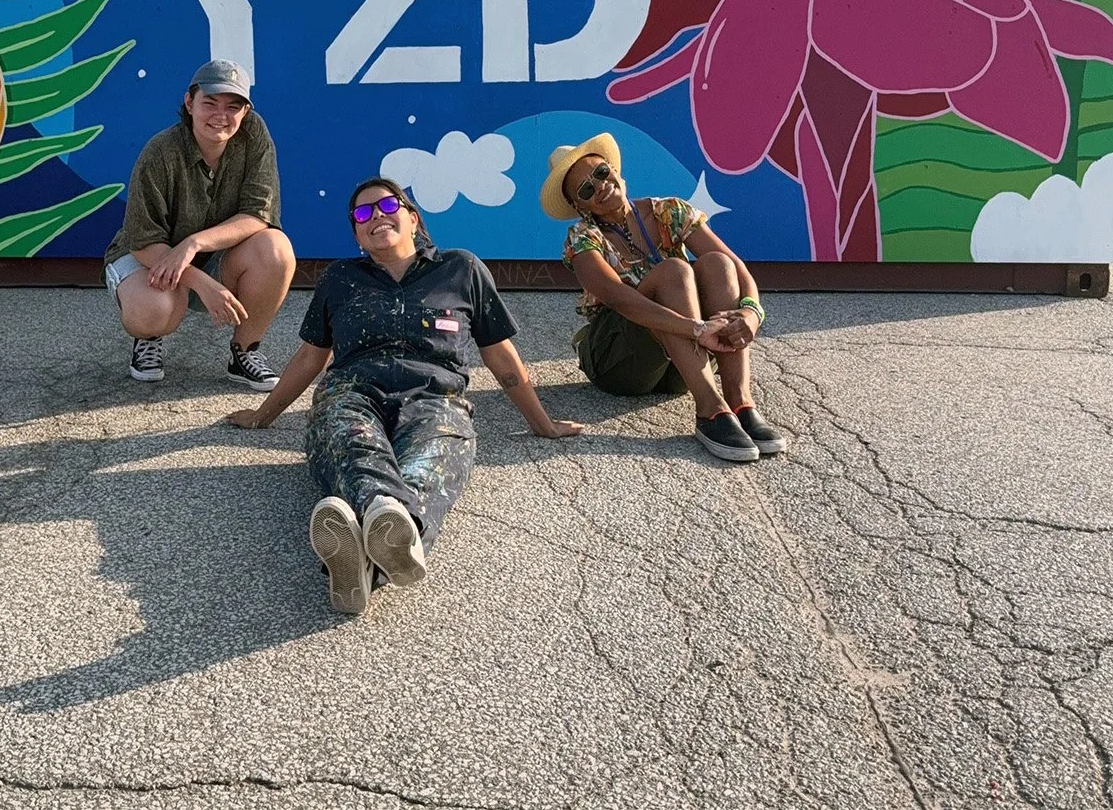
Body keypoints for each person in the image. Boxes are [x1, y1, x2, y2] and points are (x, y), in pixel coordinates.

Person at [226, 176, 582, 615]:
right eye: (362, 213)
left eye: (387, 206)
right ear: (357, 235)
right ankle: (386, 521)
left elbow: (500, 355)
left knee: (433, 458)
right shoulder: (340, 279)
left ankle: (363, 564)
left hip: (437, 398)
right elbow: (310, 357)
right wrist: (265, 414)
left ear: (413, 217)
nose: (376, 216)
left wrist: (541, 423)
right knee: (352, 442)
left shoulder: (461, 269)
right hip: (353, 392)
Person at [540, 133, 786, 464]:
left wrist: (751, 314)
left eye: (600, 173)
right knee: (675, 272)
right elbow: (619, 299)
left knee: (716, 263)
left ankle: (740, 402)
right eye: (586, 190)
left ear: (614, 170)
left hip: (680, 364)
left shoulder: (668, 211)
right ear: (578, 206)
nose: (599, 186)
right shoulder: (582, 238)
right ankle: (710, 411)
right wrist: (695, 328)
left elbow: (736, 268)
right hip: (622, 360)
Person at [103, 59, 295, 391]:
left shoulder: (255, 135)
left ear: (245, 112)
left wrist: (194, 244)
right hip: (149, 255)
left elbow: (257, 214)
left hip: (210, 254)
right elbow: (143, 240)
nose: (221, 115)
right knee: (156, 309)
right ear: (189, 103)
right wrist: (204, 284)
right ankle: (149, 338)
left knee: (276, 249)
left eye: (233, 106)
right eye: (210, 102)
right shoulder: (160, 151)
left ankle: (245, 351)